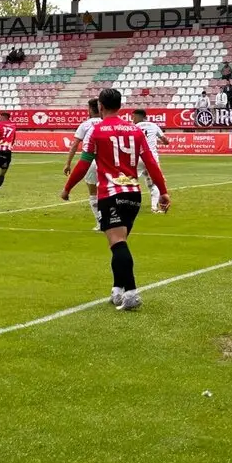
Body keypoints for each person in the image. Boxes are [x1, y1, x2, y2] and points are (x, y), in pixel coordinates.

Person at [62, 88, 170, 311]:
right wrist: (164, 192)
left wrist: (67, 188)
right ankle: (117, 289)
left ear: (100, 106)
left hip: (111, 194)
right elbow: (151, 163)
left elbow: (83, 164)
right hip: (133, 194)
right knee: (118, 242)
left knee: (117, 242)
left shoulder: (97, 131)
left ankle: (131, 293)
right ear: (120, 106)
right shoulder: (135, 130)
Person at [64, 98, 103, 228]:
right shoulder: (107, 122)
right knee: (108, 191)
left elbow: (75, 145)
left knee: (93, 192)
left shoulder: (86, 125)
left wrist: (68, 163)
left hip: (90, 161)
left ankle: (99, 222)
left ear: (90, 109)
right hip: (107, 162)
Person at [132, 109, 171, 214]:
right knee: (154, 183)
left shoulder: (134, 127)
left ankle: (130, 204)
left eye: (133, 117)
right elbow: (166, 141)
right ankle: (154, 207)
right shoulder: (154, 126)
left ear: (139, 117)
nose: (132, 119)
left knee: (131, 182)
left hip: (138, 157)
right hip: (151, 158)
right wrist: (159, 141)